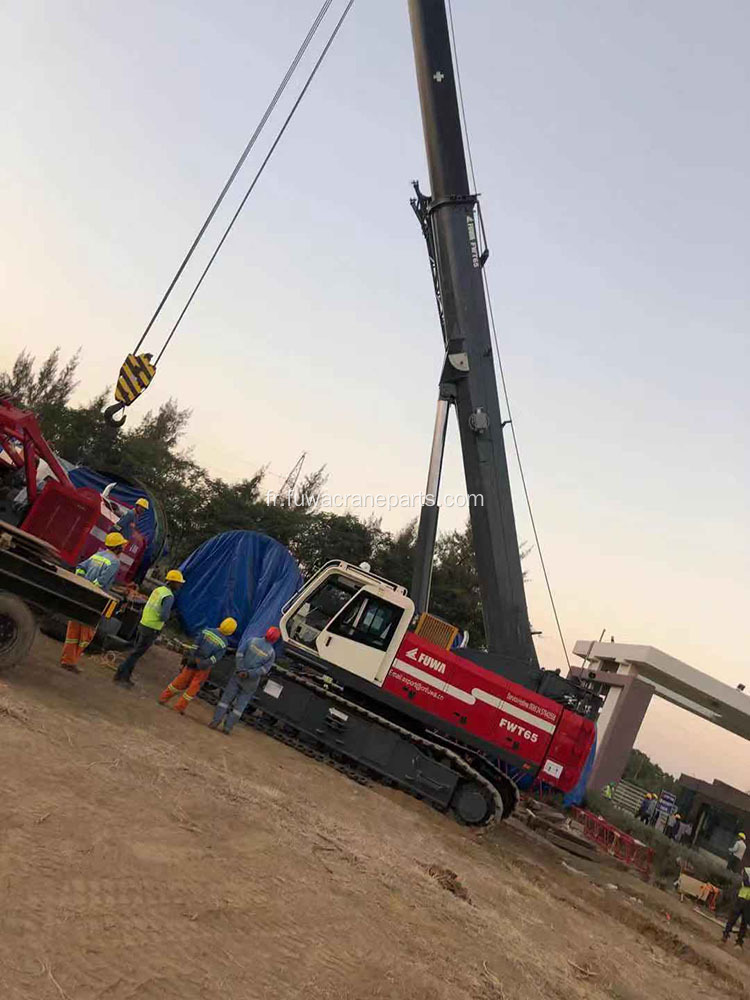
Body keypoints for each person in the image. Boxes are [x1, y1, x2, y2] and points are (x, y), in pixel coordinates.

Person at [60, 531, 126, 674]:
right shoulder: (114, 562)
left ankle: (67, 659)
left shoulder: (97, 555)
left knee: (73, 628)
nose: (123, 548)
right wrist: (93, 589)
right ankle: (71, 661)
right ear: (117, 547)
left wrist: (82, 583)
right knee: (87, 633)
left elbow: (80, 568)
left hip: (81, 595)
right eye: (122, 546)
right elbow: (101, 582)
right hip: (94, 600)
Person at [113, 569, 185, 687]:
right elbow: (164, 616)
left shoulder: (158, 590)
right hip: (152, 627)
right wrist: (170, 616)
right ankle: (120, 675)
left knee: (136, 651)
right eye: (178, 582)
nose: (180, 585)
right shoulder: (168, 596)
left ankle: (125, 676)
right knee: (136, 654)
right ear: (173, 582)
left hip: (144, 623)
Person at [209, 626, 280, 735]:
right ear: (275, 639)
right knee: (240, 707)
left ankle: (215, 722)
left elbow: (239, 654)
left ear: (266, 633)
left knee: (225, 700)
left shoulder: (252, 640)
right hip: (251, 682)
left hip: (238, 675)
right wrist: (249, 674)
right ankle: (227, 728)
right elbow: (264, 669)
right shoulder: (271, 653)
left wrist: (241, 669)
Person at [158, 618, 237, 714]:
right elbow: (215, 658)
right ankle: (179, 707)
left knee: (180, 681)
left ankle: (163, 697)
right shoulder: (223, 644)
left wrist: (193, 656)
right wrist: (203, 663)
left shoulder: (207, 631)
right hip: (203, 668)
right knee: (192, 689)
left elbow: (196, 644)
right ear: (231, 632)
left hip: (193, 661)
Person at [722, 865, 750, 948]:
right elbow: (745, 882)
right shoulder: (747, 870)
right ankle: (726, 935)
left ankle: (739, 941)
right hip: (742, 899)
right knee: (733, 918)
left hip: (747, 902)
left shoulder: (747, 871)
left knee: (744, 922)